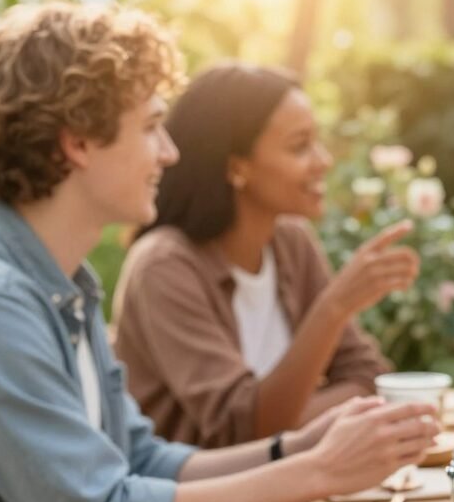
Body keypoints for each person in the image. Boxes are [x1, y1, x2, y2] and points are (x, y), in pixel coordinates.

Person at [0, 5, 438, 502]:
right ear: (78, 142)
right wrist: (315, 473)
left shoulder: (63, 287)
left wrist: (304, 446)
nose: (168, 151)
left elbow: (143, 457)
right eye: (151, 126)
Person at [112, 63, 418, 448]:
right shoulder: (164, 268)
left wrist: (282, 429)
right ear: (238, 168)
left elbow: (367, 377)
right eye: (299, 146)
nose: (323, 160)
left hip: (293, 489)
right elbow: (241, 427)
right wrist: (334, 306)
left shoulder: (291, 243)